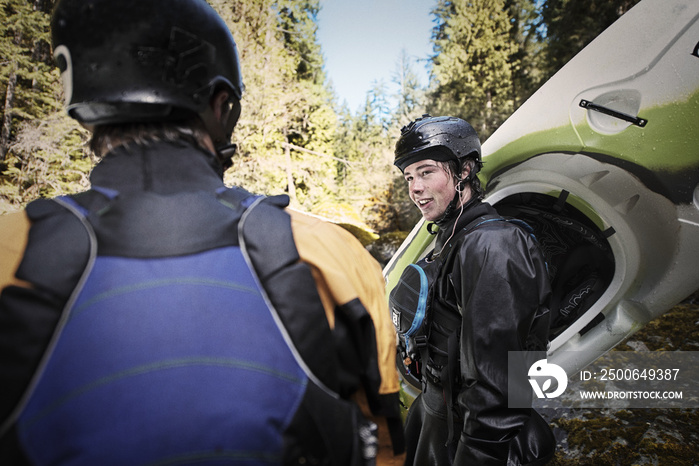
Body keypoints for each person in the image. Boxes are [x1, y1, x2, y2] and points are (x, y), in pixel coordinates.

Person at [0, 0, 404, 464]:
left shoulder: (11, 250)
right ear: (220, 106)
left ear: (88, 111)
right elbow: (383, 437)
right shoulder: (330, 253)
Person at [389, 115, 555, 465]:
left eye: (426, 171)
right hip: (438, 417)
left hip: (469, 437)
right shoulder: (453, 236)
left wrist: (477, 456)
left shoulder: (492, 245)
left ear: (464, 170)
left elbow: (503, 384)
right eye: (409, 177)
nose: (414, 188)